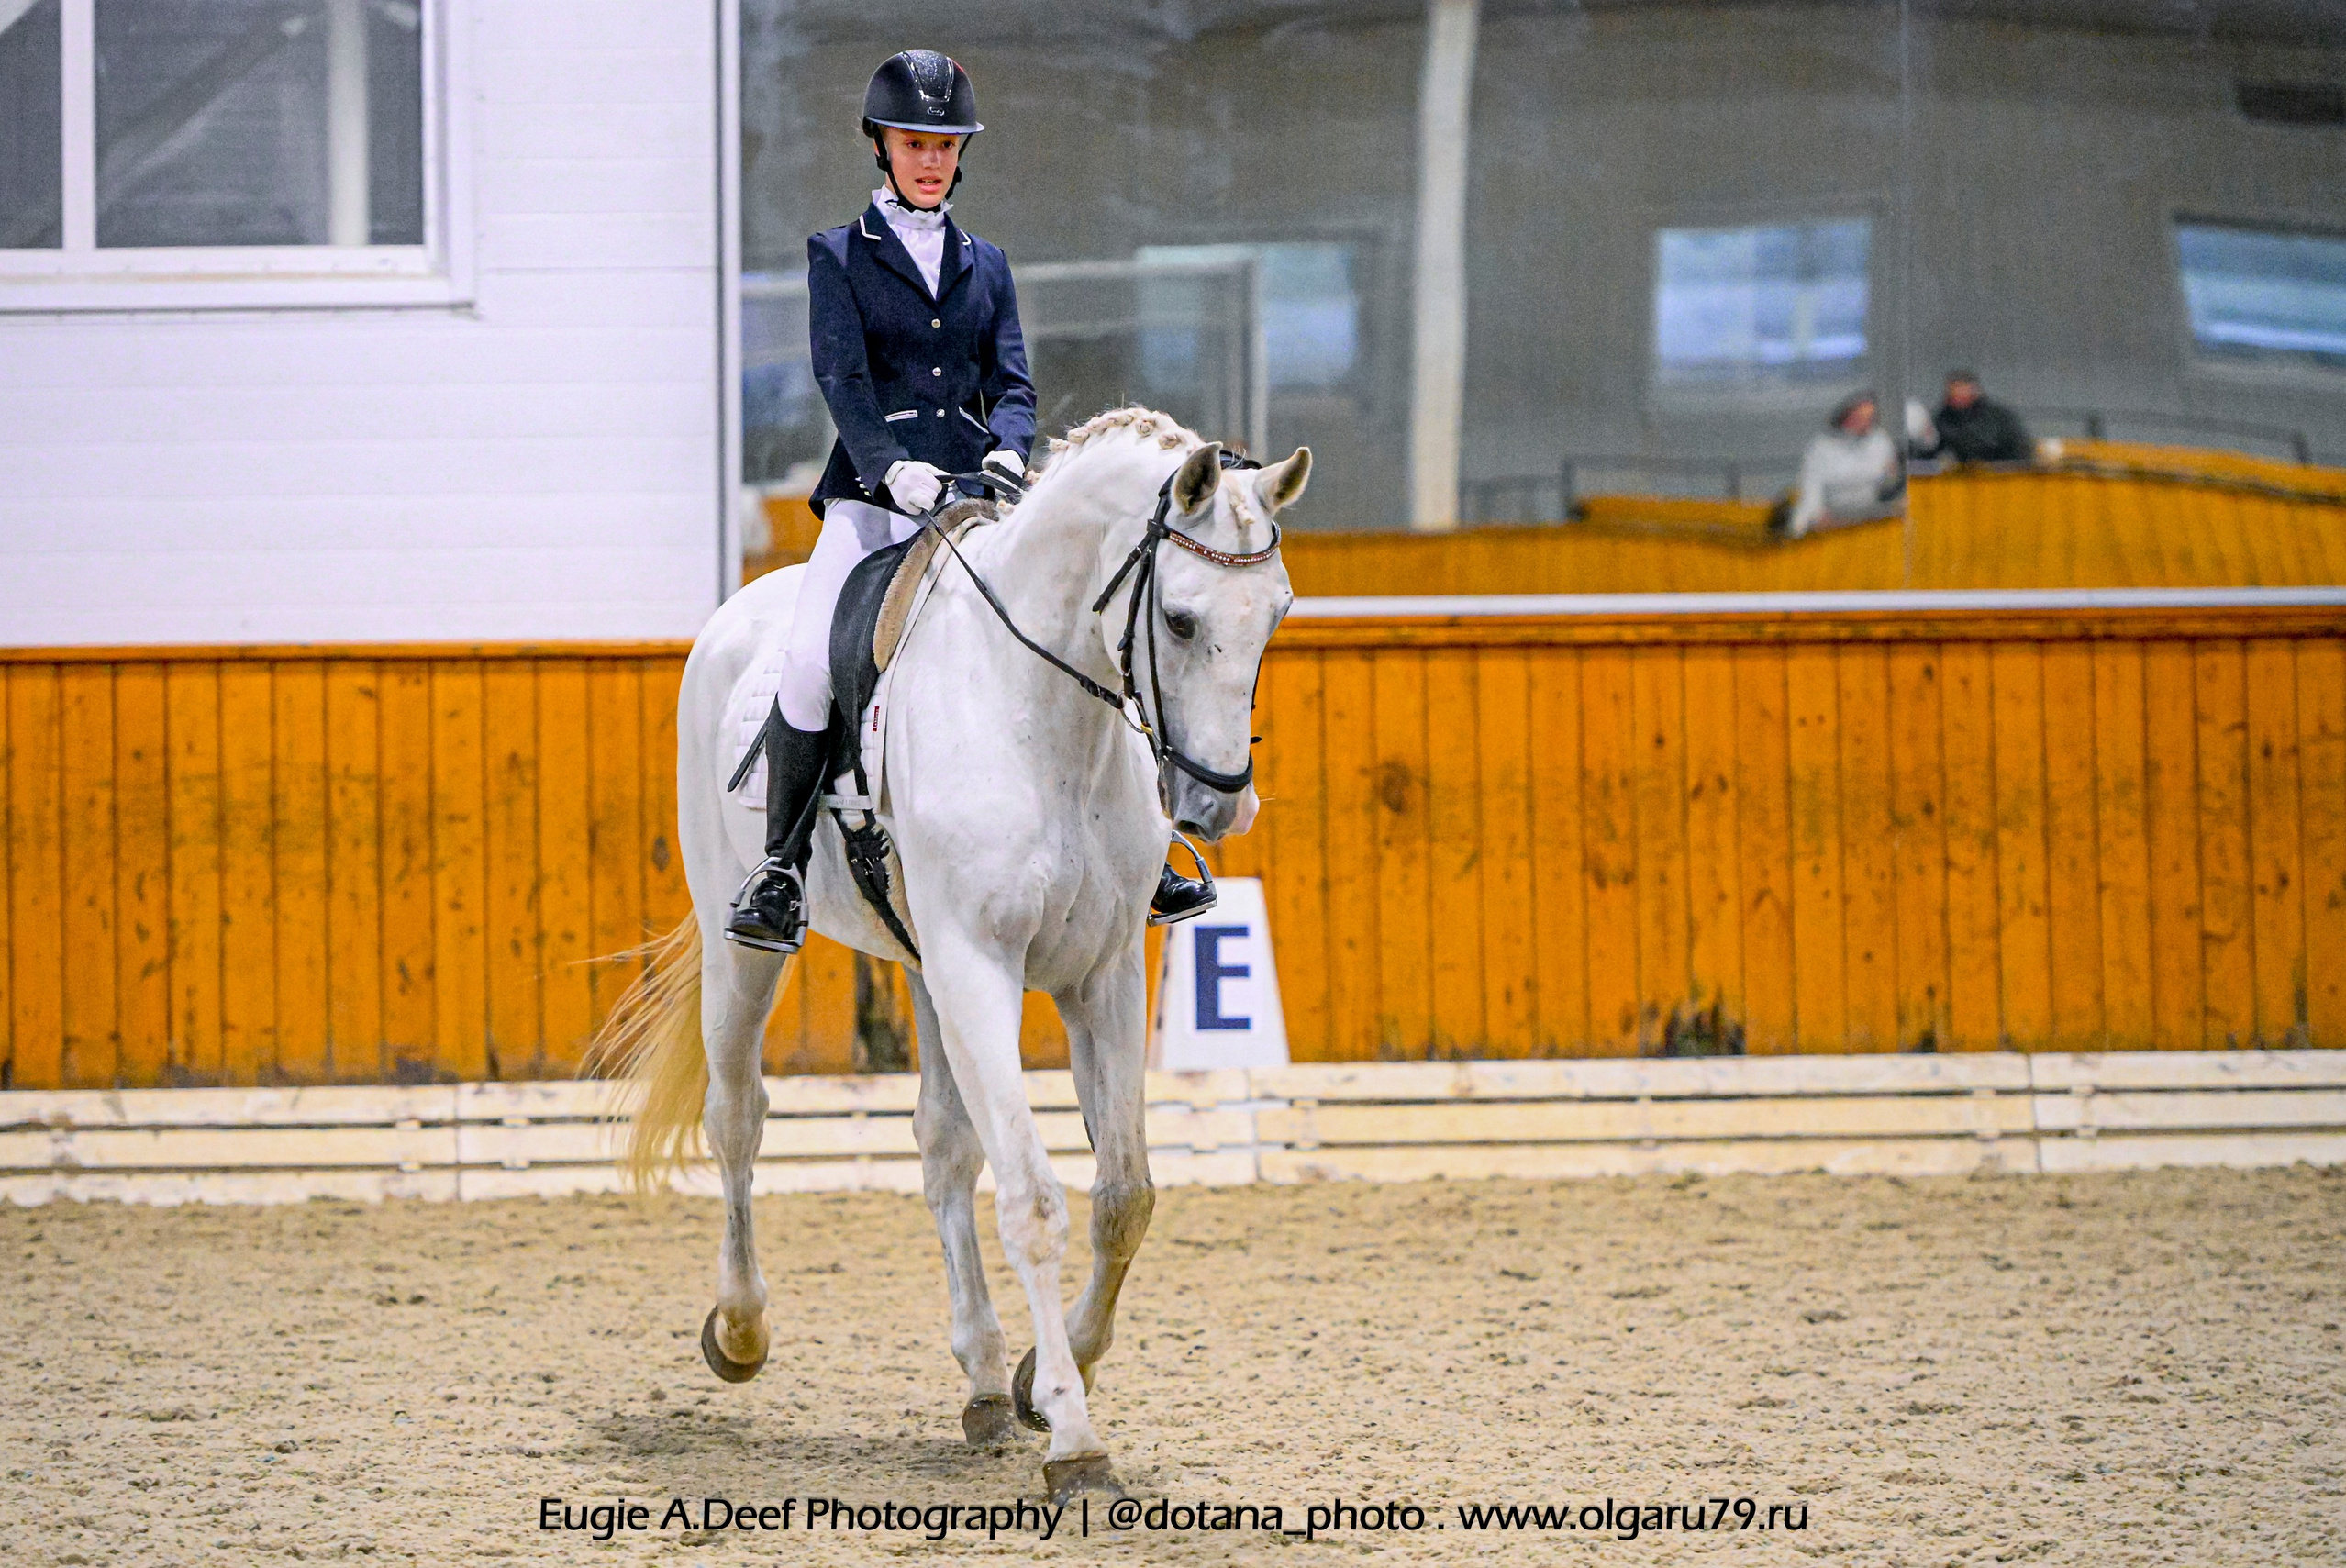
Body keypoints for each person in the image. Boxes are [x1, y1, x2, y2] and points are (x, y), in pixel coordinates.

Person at [727, 50, 1216, 953]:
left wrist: (1005, 449)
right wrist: (886, 464)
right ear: (882, 145)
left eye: (944, 147)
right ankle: (780, 870)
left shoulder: (984, 263)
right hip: (874, 504)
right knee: (805, 660)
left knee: (1088, 633)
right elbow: (840, 376)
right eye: (913, 143)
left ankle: (1150, 849)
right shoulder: (837, 255)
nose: (929, 161)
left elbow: (1015, 382)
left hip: (976, 501)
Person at [1780, 390, 1903, 539]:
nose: (1865, 423)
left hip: (1872, 516)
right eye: (1859, 416)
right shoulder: (1821, 447)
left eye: (1869, 417)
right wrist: (1806, 523)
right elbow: (1810, 495)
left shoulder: (1880, 441)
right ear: (1845, 415)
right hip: (1833, 518)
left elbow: (1892, 484)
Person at [1918, 370, 2032, 463]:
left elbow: (2019, 448)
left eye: (1962, 390)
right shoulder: (1942, 419)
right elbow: (1929, 451)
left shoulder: (1999, 417)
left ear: (1975, 391)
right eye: (1954, 391)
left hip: (1999, 479)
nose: (1958, 396)